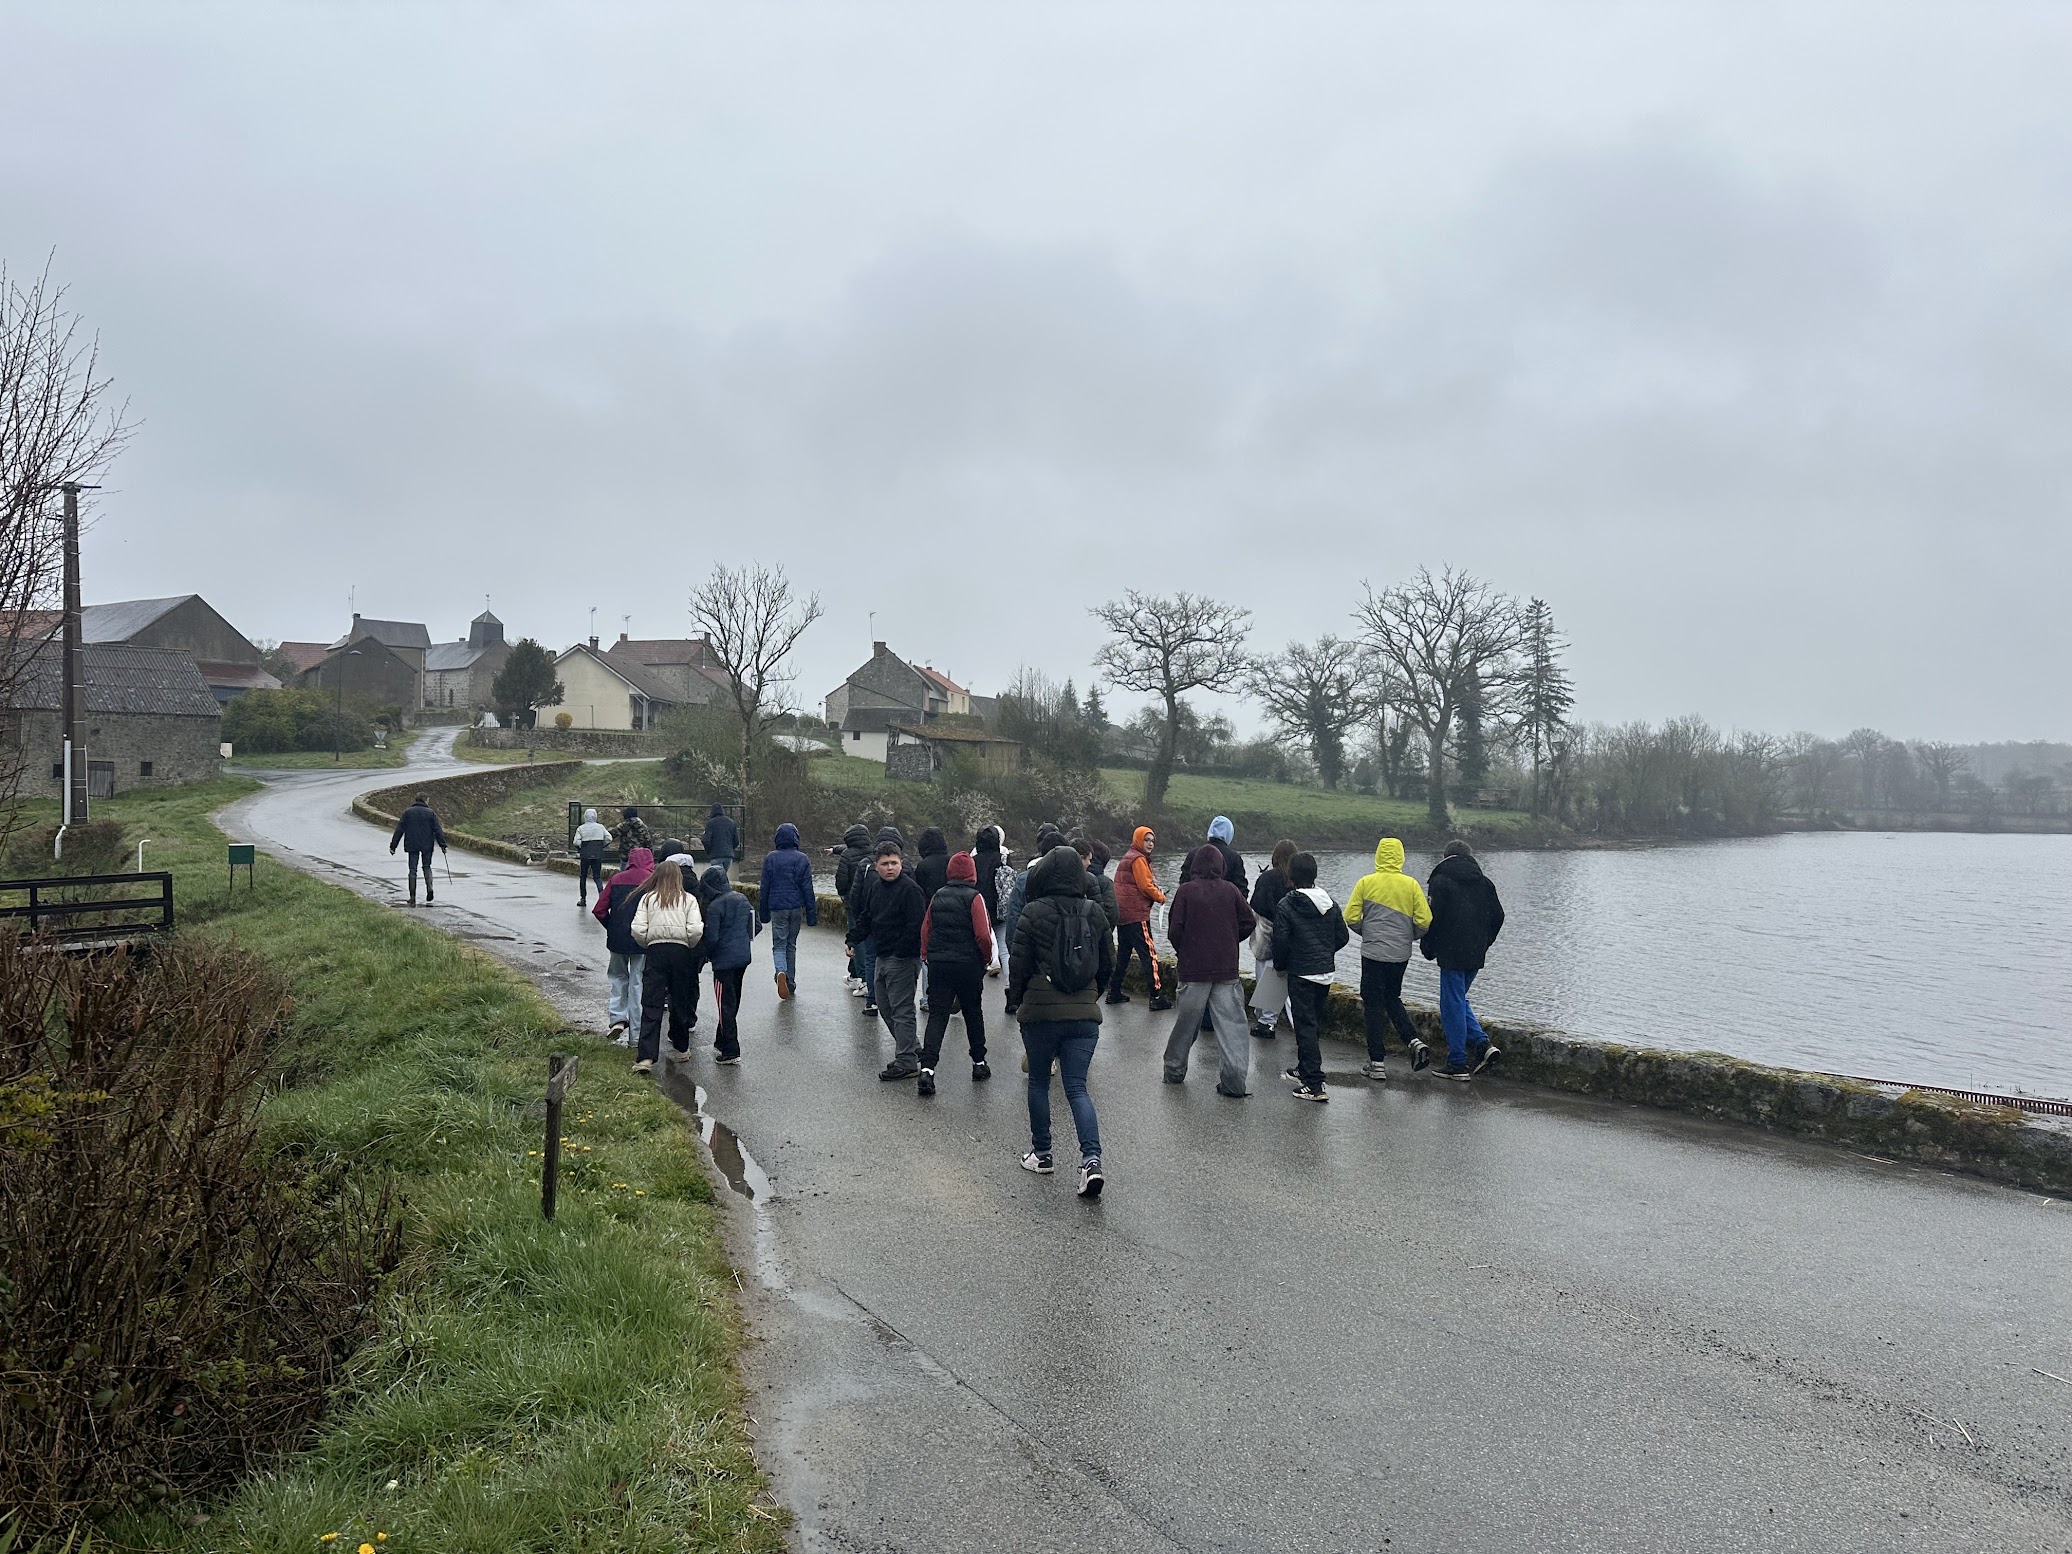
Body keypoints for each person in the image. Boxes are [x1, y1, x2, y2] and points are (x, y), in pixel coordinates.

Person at [1006, 844, 1114, 1198]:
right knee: (1077, 1088)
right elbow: (1108, 963)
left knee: (1039, 1083)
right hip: (1084, 1017)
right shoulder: (1095, 912)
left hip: (1040, 1013)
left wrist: (1019, 1000)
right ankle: (1091, 1161)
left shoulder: (1033, 912)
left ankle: (1042, 1154)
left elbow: (1019, 965)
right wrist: (1091, 995)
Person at [1162, 843, 1258, 1094]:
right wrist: (1230, 939)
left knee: (1185, 1024)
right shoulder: (1231, 891)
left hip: (1193, 968)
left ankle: (1174, 1070)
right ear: (1221, 866)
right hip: (1225, 968)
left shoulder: (1185, 892)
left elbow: (1175, 930)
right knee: (1232, 1027)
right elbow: (1249, 921)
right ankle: (1234, 1081)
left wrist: (1185, 949)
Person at [1344, 837, 1434, 1080]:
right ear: (1401, 857)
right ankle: (1413, 1040)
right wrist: (1408, 937)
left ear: (1378, 856)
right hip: (1400, 954)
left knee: (1373, 1004)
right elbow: (1425, 920)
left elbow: (1350, 917)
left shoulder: (1366, 883)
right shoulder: (1411, 885)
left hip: (1373, 953)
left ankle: (1377, 1062)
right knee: (1392, 997)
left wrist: (1368, 932)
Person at [1423, 839, 1506, 1080]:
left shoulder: (1440, 881)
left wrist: (1429, 947)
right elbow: (1498, 916)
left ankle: (1457, 1062)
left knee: (1451, 1004)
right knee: (1458, 1000)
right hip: (1475, 951)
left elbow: (1433, 918)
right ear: (1470, 856)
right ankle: (1482, 1044)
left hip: (1451, 951)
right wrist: (1485, 942)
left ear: (1446, 856)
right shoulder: (1485, 882)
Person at [1272, 852, 1349, 1102]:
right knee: (1312, 1024)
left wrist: (1282, 965)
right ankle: (1304, 1068)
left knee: (1304, 1027)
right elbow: (1343, 937)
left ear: (1291, 876)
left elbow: (1281, 941)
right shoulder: (1329, 903)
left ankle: (1314, 1083)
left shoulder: (1286, 905)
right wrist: (1324, 953)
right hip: (1324, 973)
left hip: (1301, 973)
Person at [917, 851, 994, 1096]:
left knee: (938, 1015)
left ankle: (927, 1069)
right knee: (973, 1013)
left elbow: (926, 930)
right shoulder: (975, 897)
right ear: (972, 873)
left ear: (950, 872)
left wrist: (927, 955)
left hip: (940, 964)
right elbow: (983, 934)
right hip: (968, 965)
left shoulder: (938, 896)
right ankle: (979, 1063)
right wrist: (985, 959)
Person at [850, 841, 927, 1078]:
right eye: (885, 864)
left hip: (902, 958)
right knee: (884, 1007)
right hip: (882, 955)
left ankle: (906, 1061)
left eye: (894, 863)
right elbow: (867, 917)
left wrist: (901, 951)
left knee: (902, 1010)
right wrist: (853, 939)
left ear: (901, 863)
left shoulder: (911, 890)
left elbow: (917, 926)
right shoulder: (875, 888)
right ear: (876, 866)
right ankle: (912, 1048)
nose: (890, 867)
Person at [631, 859, 704, 1074]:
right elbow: (695, 930)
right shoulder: (688, 899)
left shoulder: (647, 899)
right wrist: (688, 944)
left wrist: (648, 942)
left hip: (656, 951)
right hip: (681, 952)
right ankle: (681, 1047)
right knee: (680, 1000)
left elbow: (637, 929)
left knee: (652, 1002)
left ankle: (646, 1057)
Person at [593, 844, 655, 1043]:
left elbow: (599, 910)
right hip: (642, 941)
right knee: (637, 983)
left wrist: (611, 926)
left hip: (617, 939)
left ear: (630, 860)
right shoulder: (652, 881)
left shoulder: (616, 879)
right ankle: (636, 1036)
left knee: (618, 978)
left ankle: (618, 1018)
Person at [1106, 826, 1171, 1009]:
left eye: (1152, 841)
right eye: (1147, 840)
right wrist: (1161, 897)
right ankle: (1156, 996)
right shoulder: (1138, 859)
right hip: (1136, 915)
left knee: (1123, 955)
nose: (1150, 844)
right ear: (1138, 840)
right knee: (1149, 955)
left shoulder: (1127, 857)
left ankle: (1114, 991)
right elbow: (1145, 886)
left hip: (1123, 915)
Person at [700, 864, 757, 1064]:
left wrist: (706, 956)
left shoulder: (715, 906)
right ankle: (721, 1039)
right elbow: (756, 925)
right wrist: (742, 940)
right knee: (733, 1000)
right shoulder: (742, 899)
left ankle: (731, 1050)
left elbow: (712, 938)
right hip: (742, 958)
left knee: (724, 1003)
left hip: (723, 962)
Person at [758, 822, 817, 1000]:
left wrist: (763, 913)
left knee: (779, 945)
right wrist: (811, 915)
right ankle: (790, 982)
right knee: (791, 945)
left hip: (777, 907)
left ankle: (780, 971)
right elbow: (807, 888)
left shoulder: (771, 858)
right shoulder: (802, 858)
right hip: (795, 907)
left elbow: (764, 888)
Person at [1247, 840, 1298, 1040]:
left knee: (1267, 978)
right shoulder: (1296, 879)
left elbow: (1256, 906)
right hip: (1292, 937)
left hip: (1267, 936)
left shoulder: (1267, 879)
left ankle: (1266, 1023)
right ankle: (1301, 1028)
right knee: (1289, 986)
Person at [913, 828, 951, 1011]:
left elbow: (918, 894)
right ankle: (948, 996)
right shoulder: (951, 861)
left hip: (929, 914)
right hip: (951, 914)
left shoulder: (923, 866)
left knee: (927, 956)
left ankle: (928, 998)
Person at [834, 824, 874, 995]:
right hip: (872, 900)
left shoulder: (847, 855)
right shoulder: (874, 852)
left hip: (853, 902)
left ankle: (864, 980)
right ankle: (854, 974)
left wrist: (843, 895)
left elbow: (841, 880)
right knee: (869, 939)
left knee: (857, 939)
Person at [389, 792, 448, 907]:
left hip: (412, 844)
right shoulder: (430, 813)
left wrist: (393, 846)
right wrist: (443, 845)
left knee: (412, 870)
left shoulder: (408, 812)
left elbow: (399, 829)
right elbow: (437, 830)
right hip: (427, 845)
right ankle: (429, 888)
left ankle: (412, 897)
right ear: (425, 800)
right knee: (427, 866)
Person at [973, 825, 1010, 976]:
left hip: (979, 909)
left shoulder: (973, 861)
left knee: (977, 950)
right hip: (999, 909)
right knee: (1004, 949)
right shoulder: (1002, 859)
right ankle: (1009, 984)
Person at [574, 806, 612, 907]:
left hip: (585, 854)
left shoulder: (581, 828)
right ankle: (602, 897)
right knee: (597, 877)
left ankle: (583, 899)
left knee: (583, 876)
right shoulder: (600, 827)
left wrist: (583, 846)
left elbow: (576, 842)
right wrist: (600, 845)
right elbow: (609, 838)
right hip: (597, 853)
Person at [701, 802, 740, 875]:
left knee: (717, 877)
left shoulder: (710, 823)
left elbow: (706, 840)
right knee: (723, 876)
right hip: (728, 855)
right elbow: (736, 841)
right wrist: (730, 849)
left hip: (715, 855)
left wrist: (709, 851)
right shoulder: (731, 822)